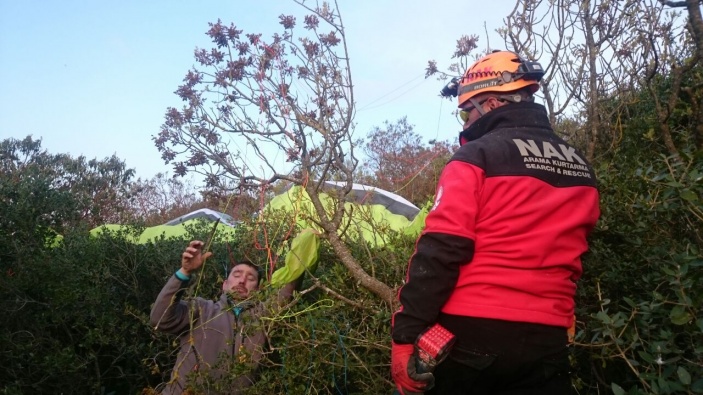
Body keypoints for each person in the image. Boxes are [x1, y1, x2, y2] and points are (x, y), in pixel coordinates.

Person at [390, 50, 600, 395]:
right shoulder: (580, 167)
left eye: (465, 111)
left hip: (471, 333)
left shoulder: (477, 156)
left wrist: (406, 335)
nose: (465, 122)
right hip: (548, 338)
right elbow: (577, 250)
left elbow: (442, 247)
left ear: (488, 103)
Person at [151, 230, 318, 395]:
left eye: (251, 278)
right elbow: (160, 319)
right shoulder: (202, 309)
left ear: (258, 289)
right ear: (224, 284)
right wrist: (185, 272)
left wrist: (305, 241)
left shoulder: (263, 315)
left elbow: (288, 289)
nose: (242, 280)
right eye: (237, 274)